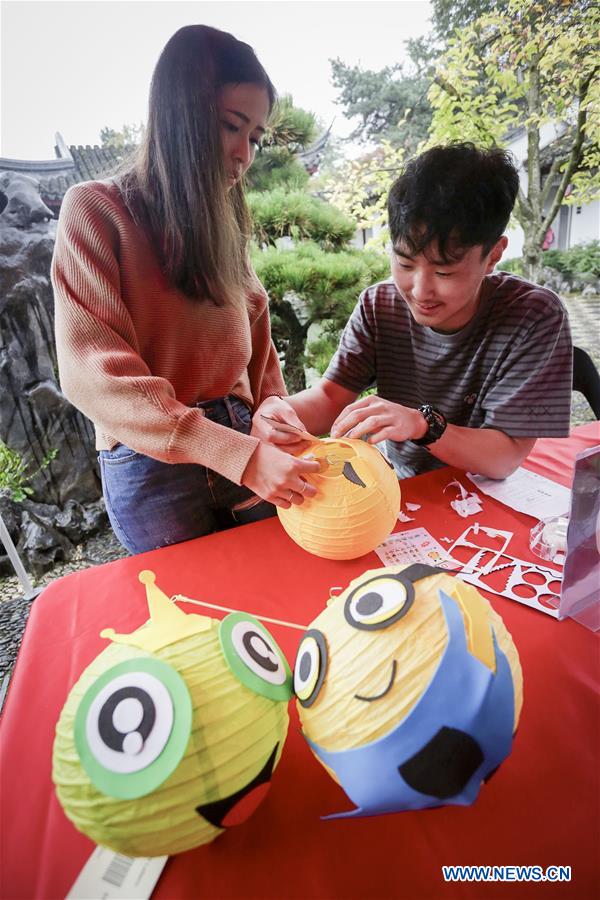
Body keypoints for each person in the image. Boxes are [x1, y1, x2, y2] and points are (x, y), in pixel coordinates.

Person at [52, 25, 319, 555]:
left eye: (256, 138)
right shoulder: (97, 211)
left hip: (246, 435)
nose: (244, 154)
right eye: (230, 126)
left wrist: (270, 405)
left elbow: (257, 339)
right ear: (180, 112)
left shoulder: (226, 223)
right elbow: (93, 374)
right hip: (153, 457)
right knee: (192, 617)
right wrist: (230, 450)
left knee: (280, 586)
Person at [254, 143, 573, 480]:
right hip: (402, 484)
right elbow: (331, 396)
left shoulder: (533, 315)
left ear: (494, 254)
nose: (420, 291)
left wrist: (423, 425)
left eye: (444, 272)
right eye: (405, 263)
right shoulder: (380, 305)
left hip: (486, 489)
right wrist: (280, 413)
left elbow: (504, 458)